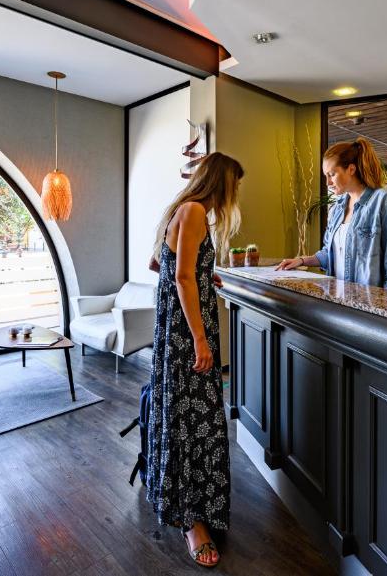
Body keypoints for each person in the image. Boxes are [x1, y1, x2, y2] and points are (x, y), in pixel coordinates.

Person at [146, 152, 243, 568]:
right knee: (194, 421)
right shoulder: (195, 211)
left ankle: (188, 506)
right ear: (222, 183)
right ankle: (193, 522)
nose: (235, 193)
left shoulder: (181, 210)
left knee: (189, 417)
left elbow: (160, 265)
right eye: (234, 184)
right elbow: (181, 276)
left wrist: (206, 274)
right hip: (189, 337)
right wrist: (201, 341)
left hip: (176, 330)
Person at [277, 138, 387, 293]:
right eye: (326, 176)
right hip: (343, 303)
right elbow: (331, 254)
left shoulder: (385, 202)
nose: (327, 182)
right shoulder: (337, 208)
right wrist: (301, 260)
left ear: (351, 169)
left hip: (373, 306)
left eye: (331, 174)